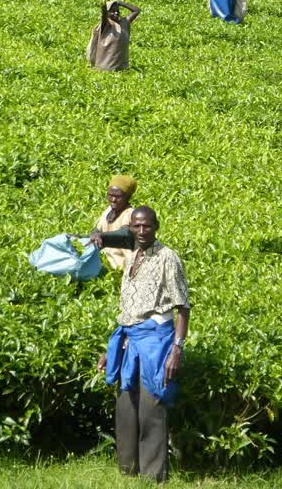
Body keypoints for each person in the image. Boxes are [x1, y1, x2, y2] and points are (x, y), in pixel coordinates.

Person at [93, 207, 190, 484]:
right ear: (131, 228)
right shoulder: (133, 254)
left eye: (147, 226)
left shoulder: (167, 257)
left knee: (151, 406)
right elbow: (128, 311)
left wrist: (177, 349)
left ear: (156, 226)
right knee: (126, 405)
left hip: (156, 341)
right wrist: (110, 351)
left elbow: (183, 307)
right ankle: (128, 471)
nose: (142, 231)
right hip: (130, 339)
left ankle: (153, 476)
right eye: (136, 226)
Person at [91, 175, 138, 269]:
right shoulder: (108, 210)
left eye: (118, 196)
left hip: (122, 267)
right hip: (104, 264)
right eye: (110, 195)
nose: (113, 199)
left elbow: (125, 233)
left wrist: (101, 235)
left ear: (128, 197)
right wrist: (93, 234)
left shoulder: (129, 213)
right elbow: (97, 229)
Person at [87, 0, 141, 71]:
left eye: (117, 11)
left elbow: (136, 10)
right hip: (105, 69)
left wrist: (120, 3)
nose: (116, 13)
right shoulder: (106, 24)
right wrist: (104, 1)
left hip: (121, 69)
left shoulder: (124, 22)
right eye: (112, 11)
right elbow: (103, 14)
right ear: (107, 13)